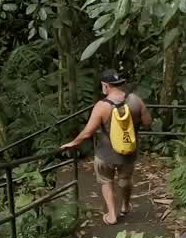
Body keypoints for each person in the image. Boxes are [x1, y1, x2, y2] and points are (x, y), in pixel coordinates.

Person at [60, 69, 151, 224]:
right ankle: (125, 206)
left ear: (105, 85)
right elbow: (148, 123)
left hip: (105, 153)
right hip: (128, 151)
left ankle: (112, 215)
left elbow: (88, 133)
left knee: (106, 180)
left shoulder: (102, 106)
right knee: (126, 179)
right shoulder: (136, 100)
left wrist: (73, 143)